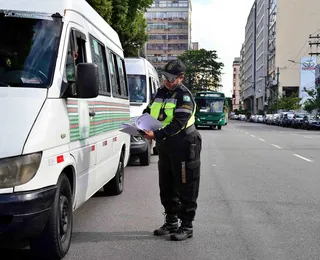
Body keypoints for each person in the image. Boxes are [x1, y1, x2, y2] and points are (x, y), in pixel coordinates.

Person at [143, 60, 202, 241]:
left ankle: (187, 226)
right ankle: (171, 222)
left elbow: (178, 123)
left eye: (171, 78)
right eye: (165, 78)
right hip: (166, 146)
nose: (167, 81)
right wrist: (140, 125)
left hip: (184, 144)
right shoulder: (160, 93)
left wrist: (156, 135)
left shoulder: (183, 96)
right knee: (167, 185)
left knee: (186, 186)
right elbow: (148, 111)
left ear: (181, 78)